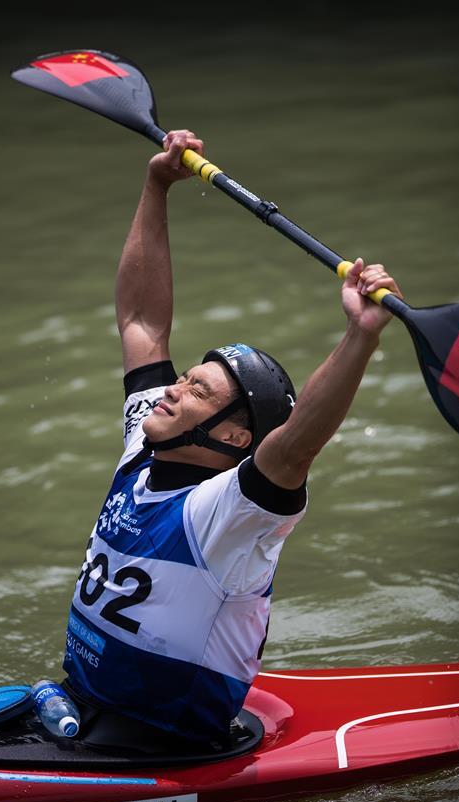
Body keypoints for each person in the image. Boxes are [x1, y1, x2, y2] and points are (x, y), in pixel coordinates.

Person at [61, 130, 403, 749]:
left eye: (197, 393)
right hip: (81, 705)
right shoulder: (148, 444)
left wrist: (361, 335)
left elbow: (296, 445)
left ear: (234, 435)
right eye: (185, 378)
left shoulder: (229, 514)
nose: (172, 390)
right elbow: (141, 322)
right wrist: (157, 184)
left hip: (161, 742)